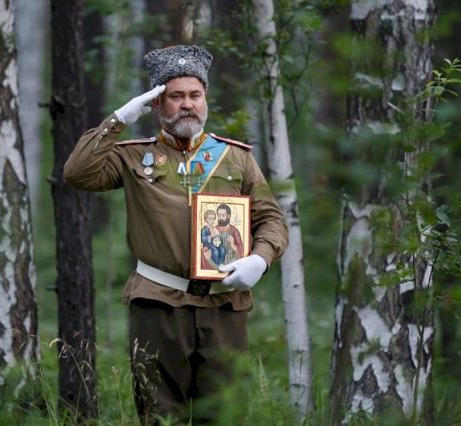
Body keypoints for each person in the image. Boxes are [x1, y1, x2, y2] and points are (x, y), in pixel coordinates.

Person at [63, 45, 288, 425]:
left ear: (205, 99)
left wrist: (260, 259)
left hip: (224, 306)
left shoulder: (236, 158)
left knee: (225, 415)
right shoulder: (133, 156)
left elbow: (272, 220)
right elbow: (78, 173)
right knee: (159, 415)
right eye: (176, 96)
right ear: (156, 103)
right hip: (158, 304)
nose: (187, 105)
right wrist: (119, 118)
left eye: (195, 95)